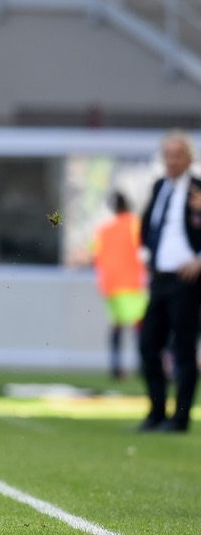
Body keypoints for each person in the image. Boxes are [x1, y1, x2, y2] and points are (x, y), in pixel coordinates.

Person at [138, 130, 201, 433]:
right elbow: (149, 225)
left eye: (177, 156)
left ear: (189, 158)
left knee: (183, 349)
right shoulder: (160, 186)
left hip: (186, 280)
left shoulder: (198, 188)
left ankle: (180, 418)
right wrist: (146, 256)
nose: (172, 161)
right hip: (159, 278)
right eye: (168, 156)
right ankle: (157, 413)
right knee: (148, 344)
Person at [92, 191, 148, 380]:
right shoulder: (135, 225)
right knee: (140, 326)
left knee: (116, 325)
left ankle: (116, 367)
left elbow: (96, 255)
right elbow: (144, 249)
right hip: (131, 283)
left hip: (109, 285)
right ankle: (143, 366)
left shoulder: (103, 229)